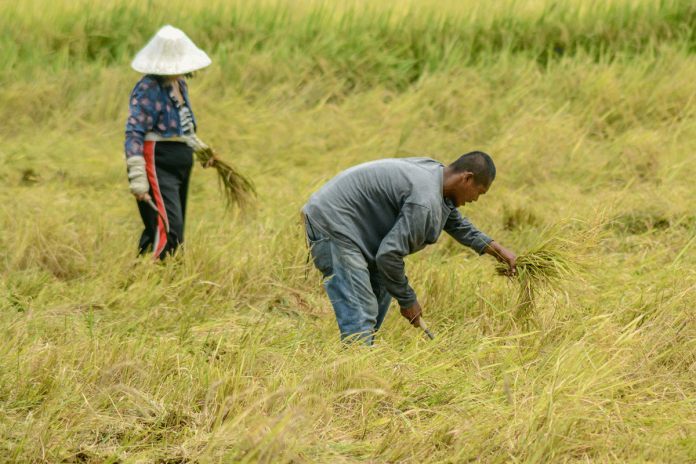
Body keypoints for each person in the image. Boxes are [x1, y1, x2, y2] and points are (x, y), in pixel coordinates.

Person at [302, 152, 517, 345]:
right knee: (361, 312)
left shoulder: (437, 177)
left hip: (355, 226)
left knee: (381, 294)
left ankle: (359, 359)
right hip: (334, 223)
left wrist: (498, 250)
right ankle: (355, 381)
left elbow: (456, 223)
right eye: (478, 192)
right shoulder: (424, 201)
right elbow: (389, 256)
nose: (475, 199)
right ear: (467, 178)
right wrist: (408, 300)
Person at [124, 25, 215, 260]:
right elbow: (134, 130)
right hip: (159, 160)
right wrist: (137, 176)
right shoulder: (148, 87)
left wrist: (201, 150)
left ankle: (141, 272)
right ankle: (163, 279)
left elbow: (181, 127)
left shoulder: (180, 83)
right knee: (170, 227)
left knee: (163, 224)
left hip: (180, 161)